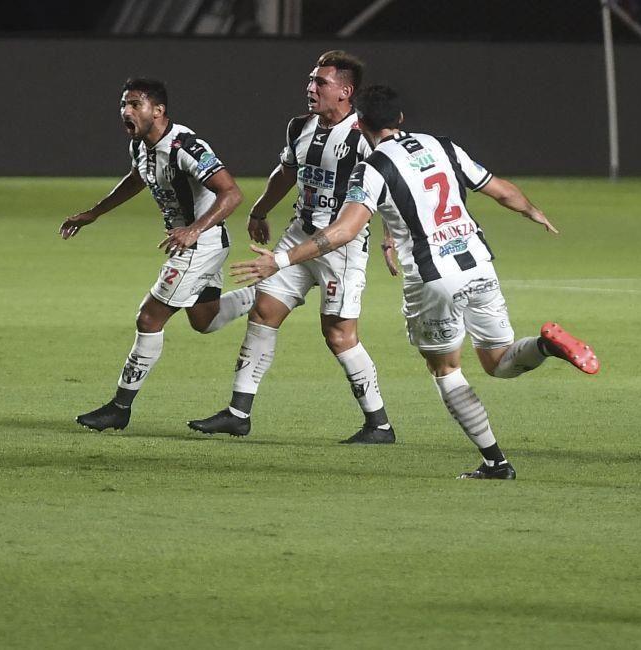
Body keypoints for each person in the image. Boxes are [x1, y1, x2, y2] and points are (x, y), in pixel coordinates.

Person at [230, 85, 600, 479]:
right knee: (499, 362)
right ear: (400, 119)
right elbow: (497, 188)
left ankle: (496, 462)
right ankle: (544, 345)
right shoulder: (442, 145)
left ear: (359, 123)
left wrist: (282, 259)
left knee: (446, 370)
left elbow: (344, 231)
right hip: (478, 265)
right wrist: (533, 211)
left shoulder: (372, 167)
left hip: (433, 279)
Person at [187, 51, 399, 445]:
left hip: (342, 247)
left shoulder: (366, 134)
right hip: (300, 234)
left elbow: (394, 182)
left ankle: (379, 424)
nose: (310, 87)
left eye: (321, 82)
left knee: (338, 335)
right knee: (265, 311)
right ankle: (238, 413)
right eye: (310, 80)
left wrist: (390, 235)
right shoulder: (300, 127)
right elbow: (287, 172)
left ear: (345, 91)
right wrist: (260, 208)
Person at [60, 78, 255, 432]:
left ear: (159, 111)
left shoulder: (186, 146)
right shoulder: (141, 145)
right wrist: (94, 212)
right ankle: (266, 294)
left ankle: (120, 407)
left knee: (149, 318)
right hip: (197, 243)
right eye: (124, 104)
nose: (126, 111)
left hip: (199, 245)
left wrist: (194, 228)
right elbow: (138, 179)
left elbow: (232, 193)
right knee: (204, 320)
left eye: (135, 104)